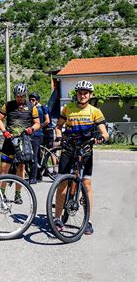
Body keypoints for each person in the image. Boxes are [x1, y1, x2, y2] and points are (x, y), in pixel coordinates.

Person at [54, 80, 108, 235]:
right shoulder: (68, 108)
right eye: (80, 92)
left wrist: (100, 137)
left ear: (90, 95)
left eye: (86, 93)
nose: (82, 95)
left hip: (85, 150)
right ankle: (57, 218)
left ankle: (88, 221)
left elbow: (105, 133)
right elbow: (58, 126)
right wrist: (59, 137)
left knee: (86, 184)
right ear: (76, 94)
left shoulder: (95, 111)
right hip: (69, 149)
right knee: (62, 184)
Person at [0, 83, 40, 202]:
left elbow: (37, 123)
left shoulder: (32, 106)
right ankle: (2, 194)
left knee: (21, 167)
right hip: (9, 140)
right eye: (17, 96)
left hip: (23, 142)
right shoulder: (8, 105)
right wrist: (4, 131)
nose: (20, 98)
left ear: (25, 95)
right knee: (4, 167)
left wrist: (32, 129)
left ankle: (17, 194)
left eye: (22, 96)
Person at [28, 92, 50, 184]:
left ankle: (33, 177)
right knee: (36, 156)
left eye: (33, 100)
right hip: (35, 133)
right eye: (30, 99)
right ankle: (38, 176)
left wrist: (39, 126)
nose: (31, 101)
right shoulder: (32, 108)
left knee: (34, 156)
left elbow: (47, 121)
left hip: (36, 134)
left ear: (37, 101)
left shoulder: (39, 109)